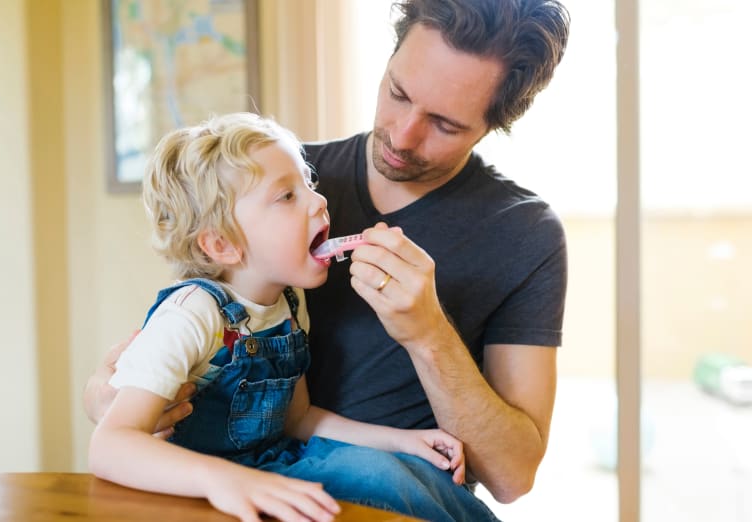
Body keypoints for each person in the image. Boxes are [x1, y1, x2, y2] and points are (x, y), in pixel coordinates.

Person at [86, 0, 571, 518]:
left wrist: (428, 334)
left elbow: (512, 476)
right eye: (398, 92)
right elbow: (156, 373)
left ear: (494, 123)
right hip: (240, 489)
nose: (403, 135)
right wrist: (106, 395)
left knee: (383, 473)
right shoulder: (270, 178)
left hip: (388, 491)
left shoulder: (524, 234)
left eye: (445, 124)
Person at [89, 112, 479, 522]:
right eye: (287, 196)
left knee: (398, 474)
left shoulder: (288, 304)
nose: (319, 200)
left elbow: (299, 419)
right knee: (379, 482)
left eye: (307, 184)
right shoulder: (190, 316)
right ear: (222, 244)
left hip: (275, 466)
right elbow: (110, 444)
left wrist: (400, 442)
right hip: (197, 496)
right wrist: (222, 480)